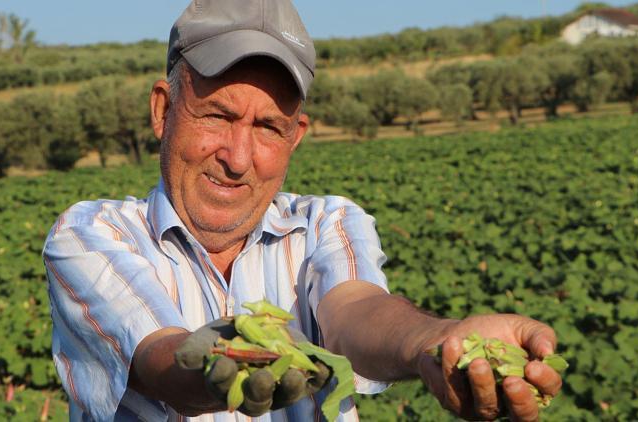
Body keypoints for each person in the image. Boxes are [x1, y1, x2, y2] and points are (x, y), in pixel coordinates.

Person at [43, 0, 562, 421]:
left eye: (268, 127)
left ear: (296, 137)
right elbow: (160, 357)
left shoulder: (326, 224)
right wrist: (220, 361)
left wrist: (439, 341)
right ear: (163, 109)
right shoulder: (92, 234)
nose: (237, 158)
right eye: (217, 116)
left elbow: (355, 313)